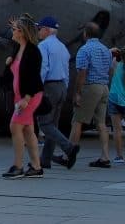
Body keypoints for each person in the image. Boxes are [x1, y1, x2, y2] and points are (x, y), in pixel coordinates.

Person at [2, 16, 44, 179]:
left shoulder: (33, 52)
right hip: (20, 95)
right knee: (27, 130)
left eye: (14, 30)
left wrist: (26, 98)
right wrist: (9, 62)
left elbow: (33, 76)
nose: (11, 32)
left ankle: (18, 166)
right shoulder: (18, 48)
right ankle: (36, 166)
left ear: (21, 33)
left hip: (30, 95)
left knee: (15, 126)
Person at [36, 17, 80, 171]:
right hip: (61, 85)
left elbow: (43, 68)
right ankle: (45, 159)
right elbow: (67, 70)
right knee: (53, 124)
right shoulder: (62, 47)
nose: (38, 31)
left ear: (47, 30)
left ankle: (69, 148)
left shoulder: (43, 46)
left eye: (40, 28)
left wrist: (38, 88)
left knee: (45, 123)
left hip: (49, 86)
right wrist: (65, 87)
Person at [70, 22, 113, 169]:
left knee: (78, 120)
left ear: (85, 34)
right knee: (101, 123)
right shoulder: (106, 49)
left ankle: (69, 154)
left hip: (91, 87)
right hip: (104, 87)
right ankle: (105, 156)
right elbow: (110, 69)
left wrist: (77, 92)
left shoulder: (85, 49)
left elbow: (82, 72)